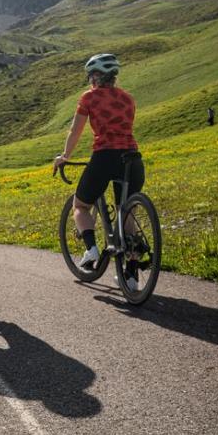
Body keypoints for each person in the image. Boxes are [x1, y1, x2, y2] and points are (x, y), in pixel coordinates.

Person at [53, 53, 144, 290]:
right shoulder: (128, 98)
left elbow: (75, 130)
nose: (90, 80)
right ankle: (132, 277)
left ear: (96, 76)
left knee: (80, 205)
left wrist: (65, 156)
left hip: (105, 156)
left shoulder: (89, 98)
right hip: (133, 158)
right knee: (127, 214)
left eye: (91, 75)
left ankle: (91, 248)